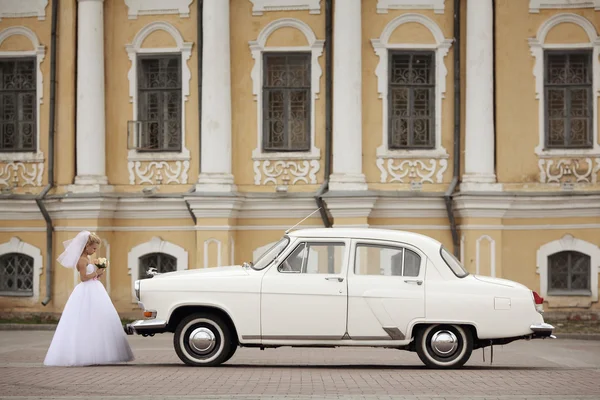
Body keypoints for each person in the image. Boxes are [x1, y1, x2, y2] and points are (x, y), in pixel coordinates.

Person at [43, 230, 134, 366]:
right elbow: (84, 278)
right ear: (86, 246)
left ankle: (99, 352)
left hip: (95, 289)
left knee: (98, 318)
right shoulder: (82, 260)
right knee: (85, 317)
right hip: (87, 290)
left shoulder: (88, 259)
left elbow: (90, 276)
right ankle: (84, 354)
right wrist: (95, 273)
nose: (94, 251)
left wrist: (98, 274)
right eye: (94, 248)